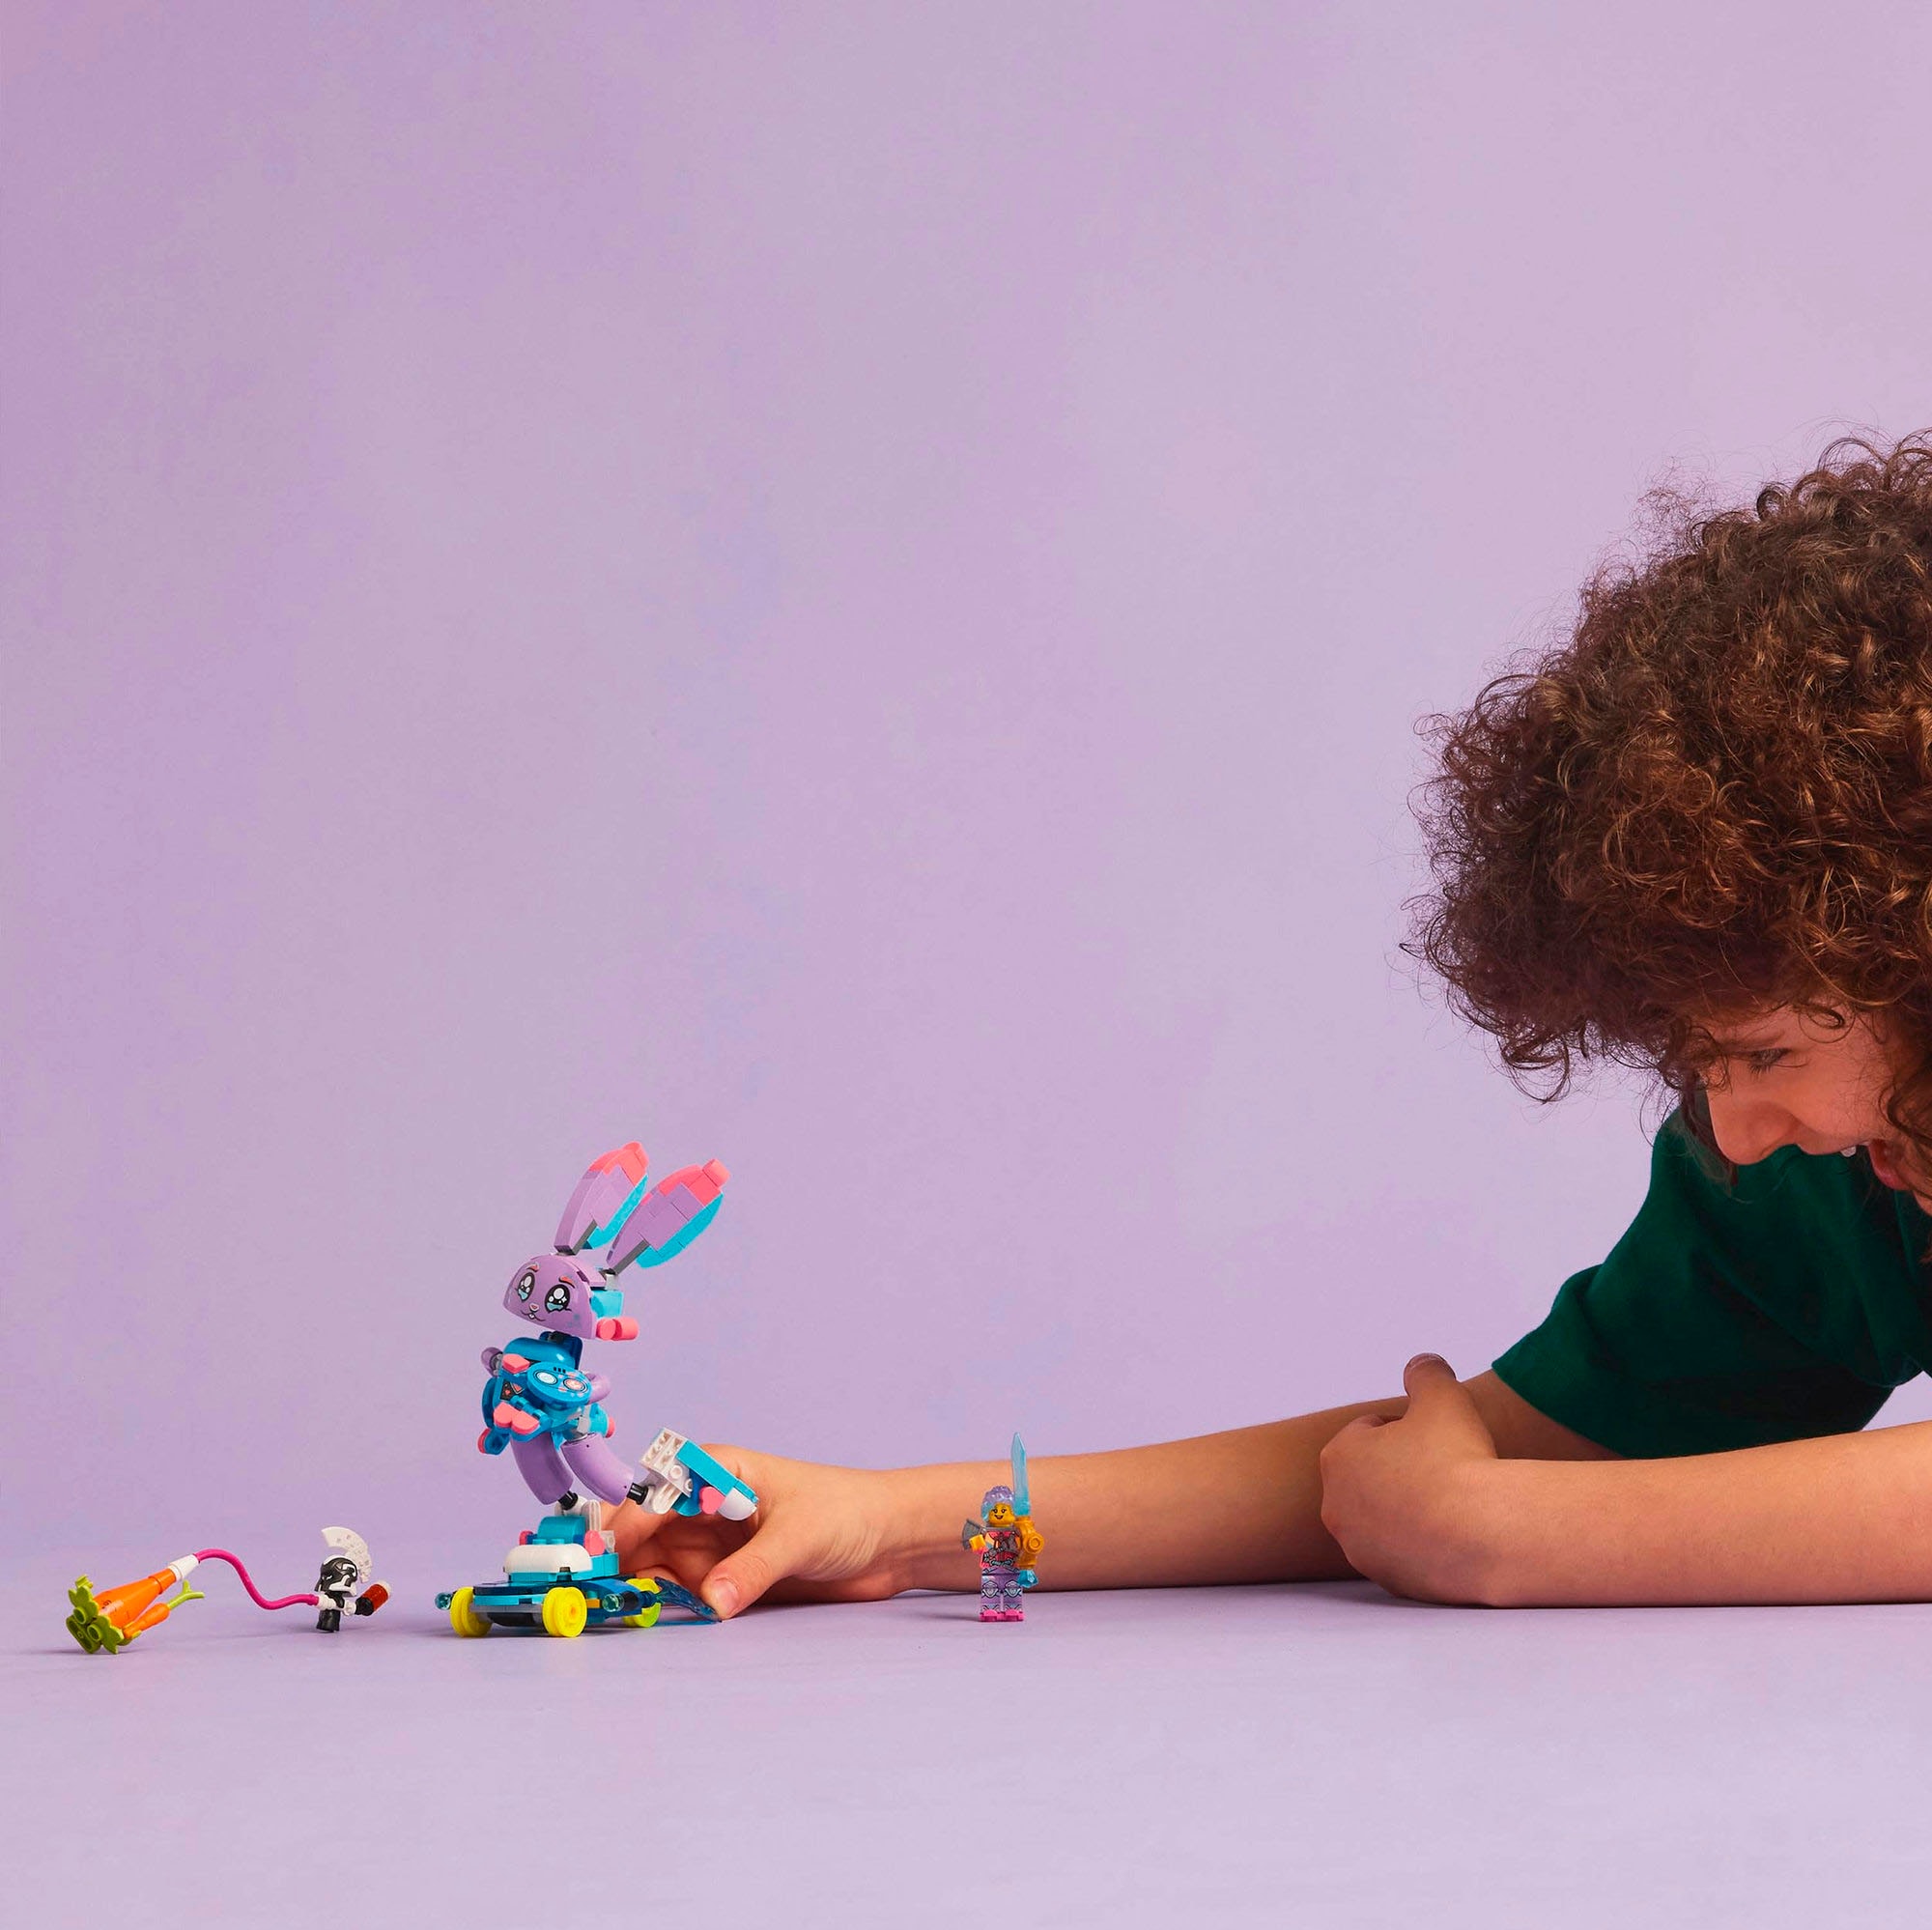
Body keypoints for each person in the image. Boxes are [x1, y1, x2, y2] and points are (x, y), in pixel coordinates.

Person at [613, 434, 1932, 1616]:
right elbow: (1524, 1441)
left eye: (1767, 1054)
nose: (1737, 1135)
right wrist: (899, 1523)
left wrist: (1512, 1538)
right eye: (1697, 1065)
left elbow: (1491, 1503)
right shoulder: (1808, 1170)